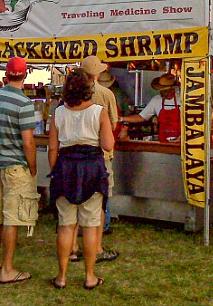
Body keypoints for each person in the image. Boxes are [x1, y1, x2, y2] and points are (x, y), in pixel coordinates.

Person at [48, 68, 114, 290]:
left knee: (66, 226)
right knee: (91, 224)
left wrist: (56, 171)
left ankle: (62, 277)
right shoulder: (99, 111)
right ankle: (89, 276)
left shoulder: (58, 113)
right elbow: (108, 145)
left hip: (65, 168)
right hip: (91, 170)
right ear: (89, 89)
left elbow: (52, 148)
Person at [0, 57, 38, 284]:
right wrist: (33, 167)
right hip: (16, 166)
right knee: (11, 218)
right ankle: (7, 268)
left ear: (6, 74)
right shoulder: (24, 103)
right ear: (25, 75)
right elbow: (28, 142)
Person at [68, 57, 119, 264]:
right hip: (99, 157)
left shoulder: (69, 98)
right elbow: (113, 127)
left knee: (73, 205)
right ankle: (96, 248)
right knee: (98, 205)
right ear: (97, 74)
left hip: (72, 157)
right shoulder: (106, 94)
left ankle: (72, 248)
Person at [119, 73, 181, 142]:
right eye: (161, 90)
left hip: (180, 142)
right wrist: (122, 118)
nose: (163, 92)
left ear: (172, 90)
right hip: (163, 142)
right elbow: (141, 117)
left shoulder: (181, 100)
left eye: (165, 90)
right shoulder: (156, 100)